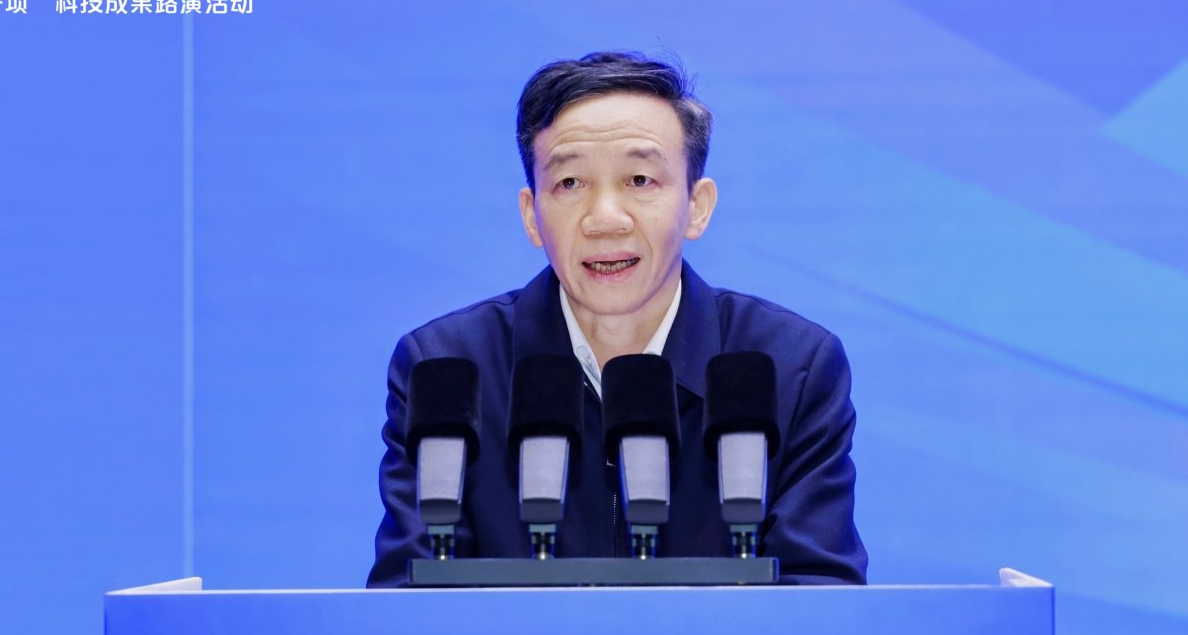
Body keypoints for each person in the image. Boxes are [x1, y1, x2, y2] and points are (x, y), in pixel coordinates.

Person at [368, 51, 866, 586]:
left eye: (640, 179)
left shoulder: (790, 366)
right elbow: (409, 600)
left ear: (697, 206)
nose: (605, 219)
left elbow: (821, 598)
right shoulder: (448, 369)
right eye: (570, 183)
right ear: (532, 216)